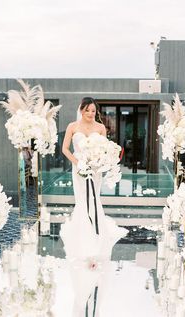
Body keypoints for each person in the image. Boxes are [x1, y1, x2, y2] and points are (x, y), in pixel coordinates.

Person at [61, 97, 127, 261]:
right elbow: (64, 149)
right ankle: (83, 234)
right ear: (81, 109)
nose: (90, 113)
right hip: (79, 169)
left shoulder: (100, 127)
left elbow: (104, 149)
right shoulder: (72, 126)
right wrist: (78, 163)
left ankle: (96, 231)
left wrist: (101, 162)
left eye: (93, 110)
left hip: (96, 170)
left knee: (94, 197)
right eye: (87, 110)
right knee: (82, 199)